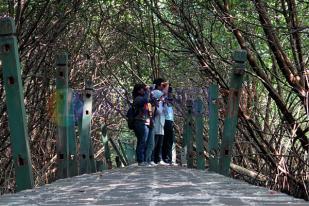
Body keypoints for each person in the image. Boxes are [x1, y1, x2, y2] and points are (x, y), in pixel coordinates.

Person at [132, 84, 151, 166]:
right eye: (142, 89)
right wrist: (147, 91)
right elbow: (146, 100)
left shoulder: (141, 98)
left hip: (143, 121)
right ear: (138, 91)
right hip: (139, 122)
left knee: (142, 141)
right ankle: (140, 161)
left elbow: (149, 101)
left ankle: (142, 160)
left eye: (144, 89)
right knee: (142, 141)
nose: (144, 90)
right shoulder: (138, 98)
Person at [152, 78, 169, 165]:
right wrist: (167, 86)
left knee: (160, 141)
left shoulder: (159, 93)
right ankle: (155, 159)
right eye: (163, 85)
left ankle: (158, 159)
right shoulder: (155, 92)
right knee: (157, 140)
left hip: (161, 119)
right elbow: (165, 93)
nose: (164, 87)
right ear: (158, 85)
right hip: (157, 119)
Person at [162, 86, 175, 165]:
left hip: (170, 121)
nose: (170, 94)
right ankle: (166, 158)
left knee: (170, 140)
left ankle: (169, 159)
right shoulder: (163, 99)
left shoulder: (170, 101)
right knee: (166, 140)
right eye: (169, 92)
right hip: (165, 121)